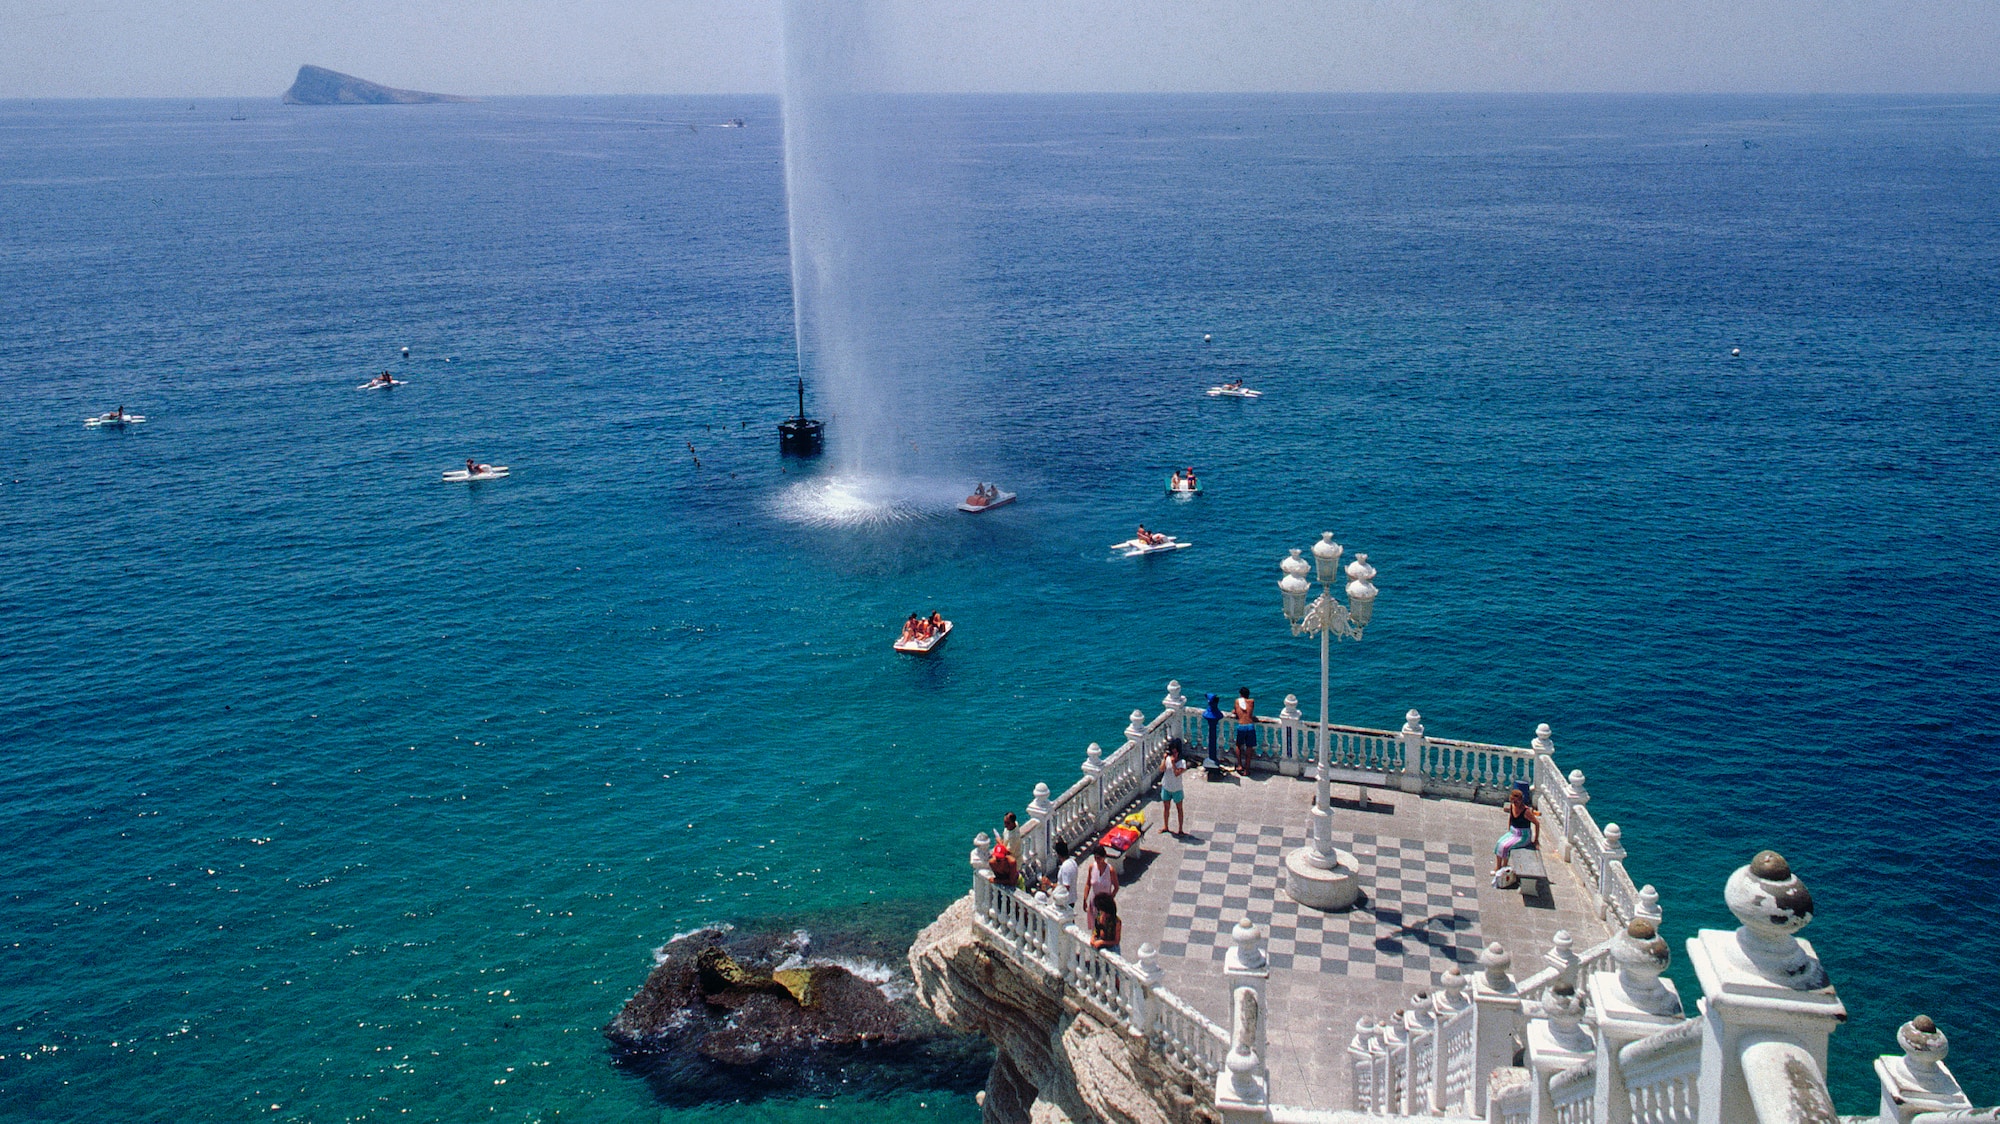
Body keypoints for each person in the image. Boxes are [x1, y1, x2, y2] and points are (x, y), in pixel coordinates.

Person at [1494, 784, 1540, 882]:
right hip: (1513, 832)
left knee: (1506, 847)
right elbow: (1511, 818)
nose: (1515, 803)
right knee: (1499, 843)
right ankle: (1498, 867)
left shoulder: (1526, 811)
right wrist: (1509, 830)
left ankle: (1504, 867)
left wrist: (1536, 840)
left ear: (1521, 800)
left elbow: (1537, 824)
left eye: (1517, 801)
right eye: (1513, 801)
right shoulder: (1512, 806)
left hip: (1523, 836)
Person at [1081, 849, 1119, 932]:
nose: (1097, 860)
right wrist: (1085, 899)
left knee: (1104, 926)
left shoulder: (1110, 870)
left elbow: (1116, 887)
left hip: (1105, 904)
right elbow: (1088, 884)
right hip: (1094, 901)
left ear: (1104, 857)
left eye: (1099, 858)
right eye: (1095, 858)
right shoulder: (1092, 867)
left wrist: (1110, 899)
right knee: (1094, 926)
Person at [1159, 736, 1188, 835]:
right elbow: (1161, 769)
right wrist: (1164, 759)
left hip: (1177, 789)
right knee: (1166, 807)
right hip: (1166, 787)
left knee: (1179, 809)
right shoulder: (1167, 758)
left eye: (1175, 753)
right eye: (1172, 752)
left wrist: (1174, 763)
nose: (1173, 755)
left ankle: (1180, 829)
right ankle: (1165, 826)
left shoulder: (1182, 763)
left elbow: (1177, 773)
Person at [1233, 687, 1257, 773]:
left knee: (1239, 746)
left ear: (1240, 695)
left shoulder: (1237, 701)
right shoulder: (1252, 701)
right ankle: (1247, 769)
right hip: (1250, 726)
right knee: (1249, 747)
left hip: (1242, 725)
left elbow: (1236, 711)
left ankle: (1239, 765)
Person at [1202, 693, 1224, 769]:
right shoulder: (1216, 712)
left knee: (1211, 739)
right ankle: (1212, 758)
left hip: (1212, 723)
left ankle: (1212, 758)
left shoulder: (1209, 712)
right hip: (1213, 722)